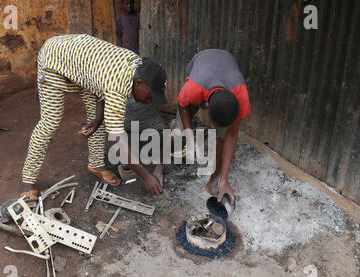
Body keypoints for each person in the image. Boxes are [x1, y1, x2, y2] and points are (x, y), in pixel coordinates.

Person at [20, 34, 167, 200]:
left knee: (101, 120)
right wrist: (146, 176)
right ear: (139, 82)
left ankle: (96, 164)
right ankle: (28, 178)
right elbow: (118, 138)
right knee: (51, 121)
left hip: (81, 64)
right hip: (54, 59)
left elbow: (102, 84)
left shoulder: (137, 65)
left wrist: (98, 119)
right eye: (149, 96)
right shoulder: (118, 87)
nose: (149, 101)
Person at [177, 49, 251, 205]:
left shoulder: (241, 95)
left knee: (223, 137)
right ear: (207, 106)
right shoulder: (193, 88)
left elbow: (231, 135)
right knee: (181, 126)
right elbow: (182, 105)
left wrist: (224, 178)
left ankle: (215, 178)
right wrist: (190, 137)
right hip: (201, 62)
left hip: (227, 64)